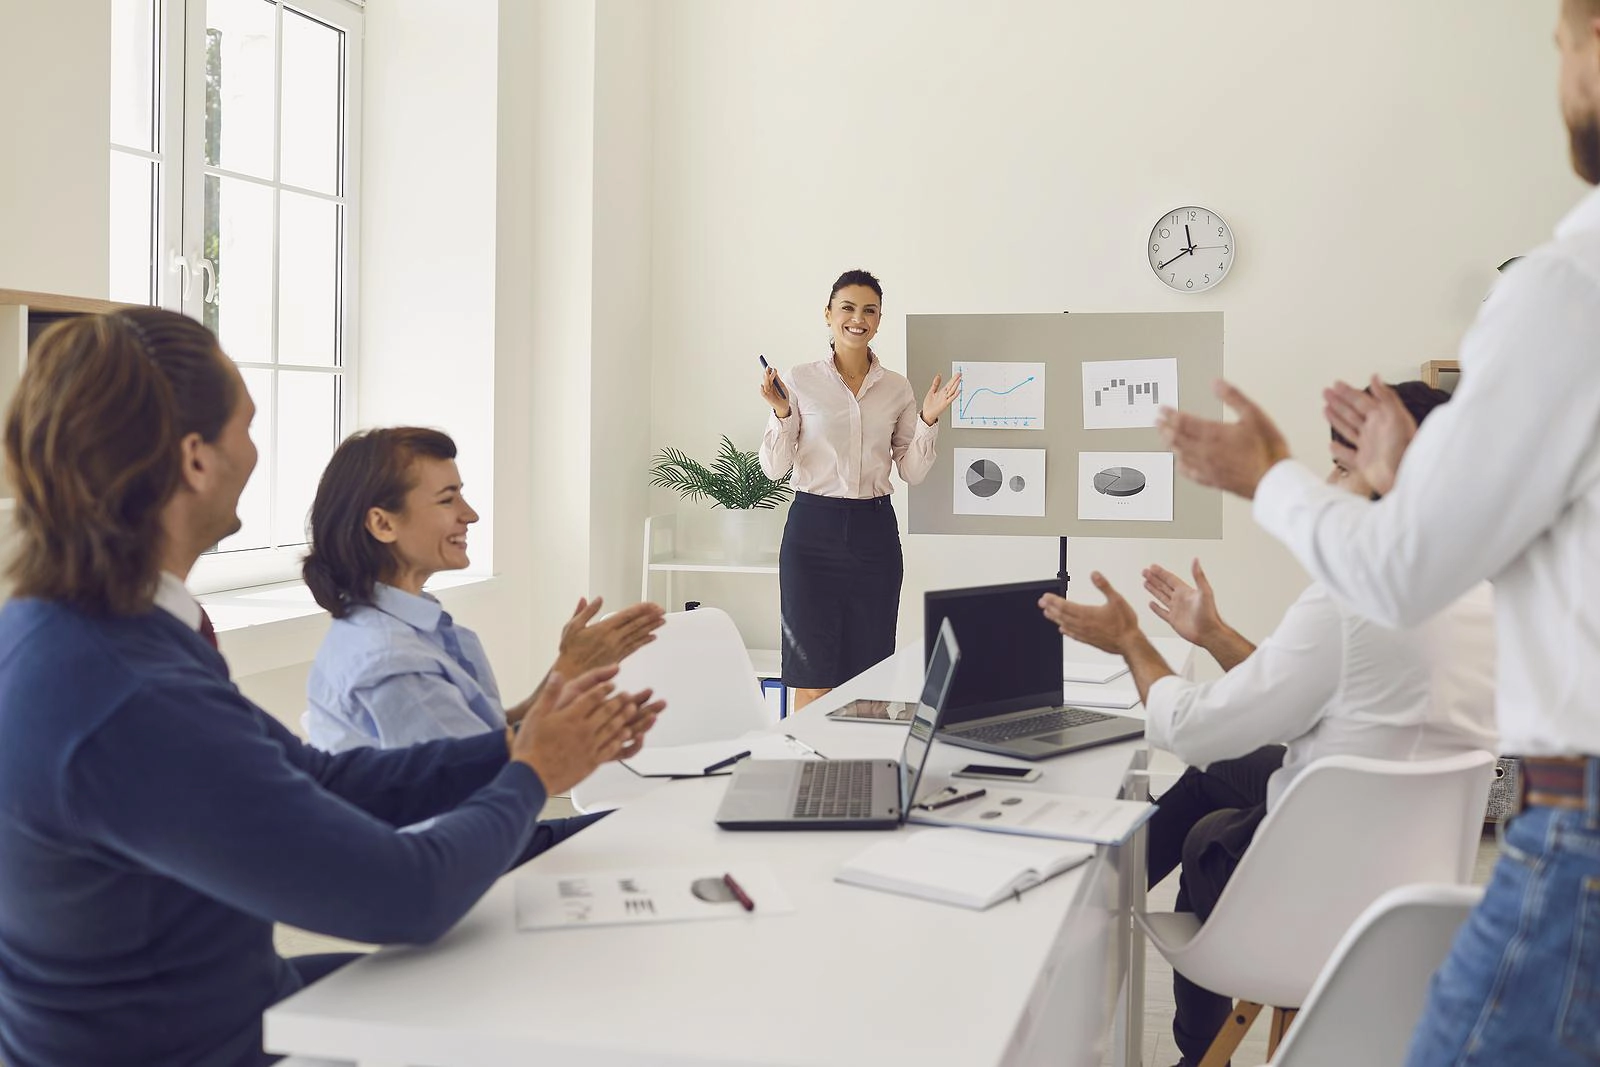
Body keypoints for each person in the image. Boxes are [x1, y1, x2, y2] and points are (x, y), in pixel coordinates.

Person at [0, 309, 661, 1067]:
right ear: (195, 458)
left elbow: (317, 776)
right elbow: (404, 896)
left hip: (232, 1005)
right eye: (246, 424)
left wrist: (515, 745)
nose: (256, 447)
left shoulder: (83, 624)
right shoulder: (126, 691)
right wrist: (534, 772)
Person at [1154, 5, 1600, 1061]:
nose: (1558, 63)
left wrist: (1266, 476)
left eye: (1568, 35)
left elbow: (1390, 582)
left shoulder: (1565, 292)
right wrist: (1414, 485)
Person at [1041, 384, 1496, 1067]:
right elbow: (1321, 698)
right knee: (1215, 776)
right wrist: (1215, 632)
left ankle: (1181, 1032)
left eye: (1342, 465)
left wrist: (1132, 642)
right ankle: (1104, 894)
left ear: (1393, 473)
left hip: (1315, 892)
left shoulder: (1350, 598)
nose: (1324, 482)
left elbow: (1193, 726)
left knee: (1205, 831)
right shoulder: (1481, 587)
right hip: (1413, 879)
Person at [301, 426, 665, 752]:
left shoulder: (411, 627)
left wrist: (569, 672)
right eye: (447, 499)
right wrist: (579, 710)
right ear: (382, 523)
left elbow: (485, 738)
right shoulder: (391, 663)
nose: (470, 514)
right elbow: (477, 780)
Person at [758, 269, 961, 710]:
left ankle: (860, 774)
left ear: (879, 319)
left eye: (869, 310)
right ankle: (813, 773)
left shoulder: (896, 388)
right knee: (812, 678)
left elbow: (912, 472)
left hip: (874, 534)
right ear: (828, 315)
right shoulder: (799, 380)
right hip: (812, 533)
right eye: (847, 308)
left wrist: (927, 420)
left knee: (870, 678)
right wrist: (780, 414)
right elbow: (774, 468)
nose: (857, 318)